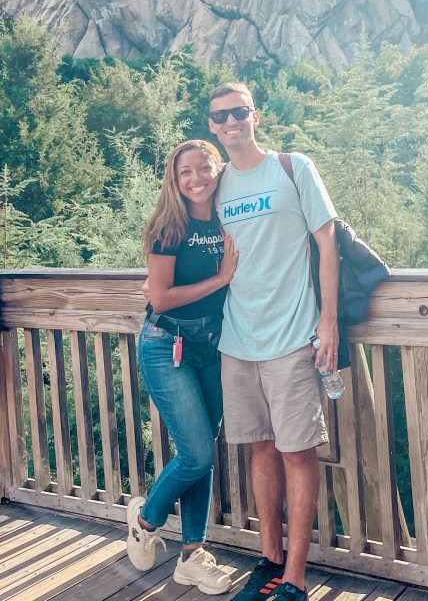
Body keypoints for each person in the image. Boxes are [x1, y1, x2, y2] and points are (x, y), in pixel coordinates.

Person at [207, 82, 340, 601]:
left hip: (292, 337)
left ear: (255, 116)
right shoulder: (216, 185)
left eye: (239, 112)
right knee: (260, 447)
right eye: (221, 116)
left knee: (297, 452)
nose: (231, 122)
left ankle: (296, 578)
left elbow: (326, 242)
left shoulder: (293, 167)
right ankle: (270, 560)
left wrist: (328, 321)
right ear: (212, 126)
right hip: (237, 340)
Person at [126, 139, 238, 595]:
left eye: (203, 168)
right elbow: (159, 298)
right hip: (166, 344)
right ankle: (145, 522)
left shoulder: (229, 216)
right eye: (184, 172)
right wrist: (221, 278)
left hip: (213, 345)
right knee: (198, 453)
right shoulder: (168, 226)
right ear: (173, 179)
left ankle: (192, 555)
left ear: (218, 169)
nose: (195, 179)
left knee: (201, 450)